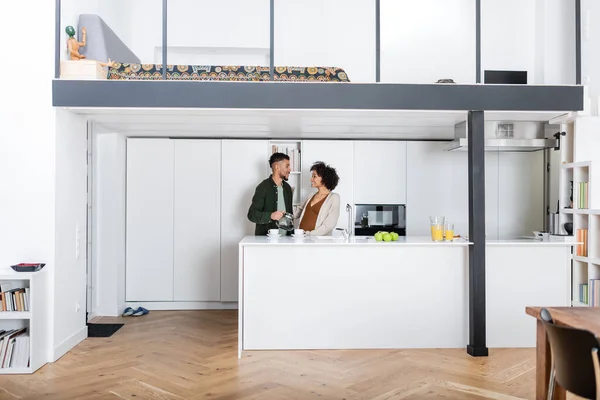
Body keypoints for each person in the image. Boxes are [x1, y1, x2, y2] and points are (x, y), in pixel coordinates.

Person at [247, 153, 293, 235]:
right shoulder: (263, 187)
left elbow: (290, 216)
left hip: (287, 240)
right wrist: (271, 215)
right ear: (277, 167)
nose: (290, 169)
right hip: (266, 241)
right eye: (287, 166)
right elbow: (252, 214)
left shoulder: (288, 188)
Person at [295, 161, 340, 236]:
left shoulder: (334, 198)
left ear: (325, 179)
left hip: (318, 242)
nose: (311, 179)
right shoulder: (311, 195)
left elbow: (329, 225)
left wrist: (309, 234)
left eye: (314, 176)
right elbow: (297, 213)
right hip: (301, 239)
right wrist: (284, 214)